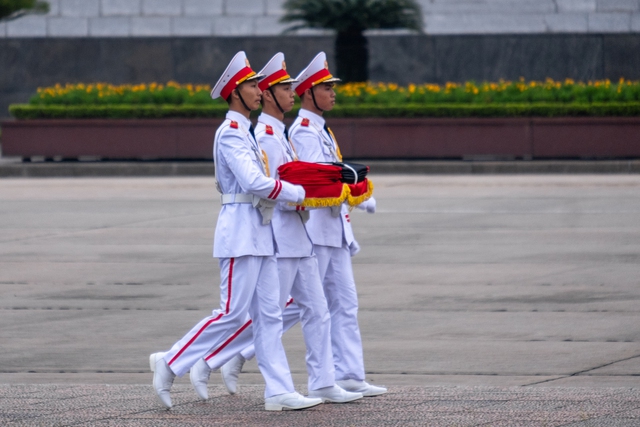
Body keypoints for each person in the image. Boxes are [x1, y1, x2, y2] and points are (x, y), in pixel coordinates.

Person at [148, 51, 323, 412]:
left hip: (260, 230)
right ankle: (169, 362)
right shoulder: (230, 133)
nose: (259, 91)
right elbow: (255, 181)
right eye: (251, 85)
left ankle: (278, 391)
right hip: (239, 231)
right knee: (231, 312)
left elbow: (263, 182)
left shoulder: (245, 131)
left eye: (259, 85)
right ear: (234, 92)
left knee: (270, 315)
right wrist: (297, 191)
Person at [188, 52, 363, 405]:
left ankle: (322, 381)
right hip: (280, 235)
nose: (293, 93)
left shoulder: (277, 133)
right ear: (267, 94)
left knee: (311, 310)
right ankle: (211, 359)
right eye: (284, 87)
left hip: (298, 234)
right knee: (268, 313)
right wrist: (316, 193)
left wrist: (347, 188)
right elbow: (272, 185)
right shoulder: (265, 134)